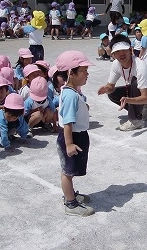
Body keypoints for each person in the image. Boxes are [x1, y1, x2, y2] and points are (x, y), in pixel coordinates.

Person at [97, 34, 147, 131]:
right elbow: (110, 86)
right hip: (145, 90)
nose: (121, 53)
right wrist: (107, 89)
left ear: (130, 50)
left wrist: (128, 100)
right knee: (113, 93)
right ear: (113, 55)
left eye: (124, 50)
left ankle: (135, 120)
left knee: (135, 82)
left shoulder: (140, 66)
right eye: (117, 51)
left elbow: (145, 97)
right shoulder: (116, 64)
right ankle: (144, 110)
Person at [55, 50, 95, 216]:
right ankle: (70, 203)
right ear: (71, 73)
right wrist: (70, 144)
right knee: (68, 171)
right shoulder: (71, 95)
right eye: (84, 71)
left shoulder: (70, 91)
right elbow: (68, 122)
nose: (87, 74)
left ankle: (70, 194)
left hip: (77, 135)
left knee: (70, 170)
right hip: (72, 137)